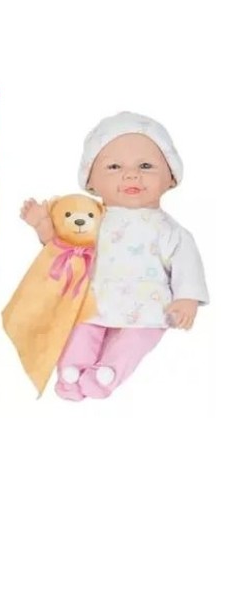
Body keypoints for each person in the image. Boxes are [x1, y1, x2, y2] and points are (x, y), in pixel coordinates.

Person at [22, 111, 209, 400]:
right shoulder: (92, 219)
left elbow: (187, 263)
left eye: (145, 165)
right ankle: (71, 370)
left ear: (171, 177)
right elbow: (65, 249)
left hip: (149, 304)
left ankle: (108, 372)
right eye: (114, 166)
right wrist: (43, 226)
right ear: (91, 182)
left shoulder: (170, 231)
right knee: (82, 328)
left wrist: (187, 298)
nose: (131, 174)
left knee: (138, 338)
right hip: (95, 299)